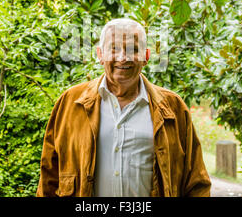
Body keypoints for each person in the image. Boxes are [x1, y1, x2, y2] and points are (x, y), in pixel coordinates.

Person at [36, 18, 211, 197]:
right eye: (114, 48)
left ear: (146, 56)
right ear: (100, 55)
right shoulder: (70, 103)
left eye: (133, 49)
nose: (123, 57)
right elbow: (49, 177)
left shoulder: (173, 108)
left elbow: (196, 182)